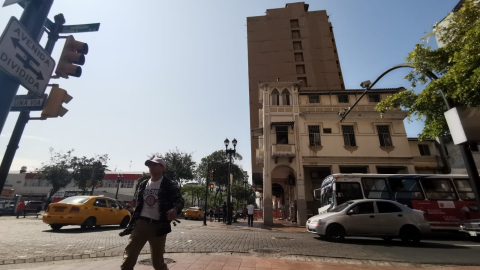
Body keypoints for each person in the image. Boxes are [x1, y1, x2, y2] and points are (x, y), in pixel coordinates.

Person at [120, 157, 184, 270]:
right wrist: (133, 212)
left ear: (163, 167)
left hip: (158, 227)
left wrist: (175, 210)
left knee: (158, 263)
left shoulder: (168, 184)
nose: (151, 167)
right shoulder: (143, 184)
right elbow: (140, 204)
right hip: (140, 224)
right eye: (149, 165)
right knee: (128, 259)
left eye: (155, 165)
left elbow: (179, 200)